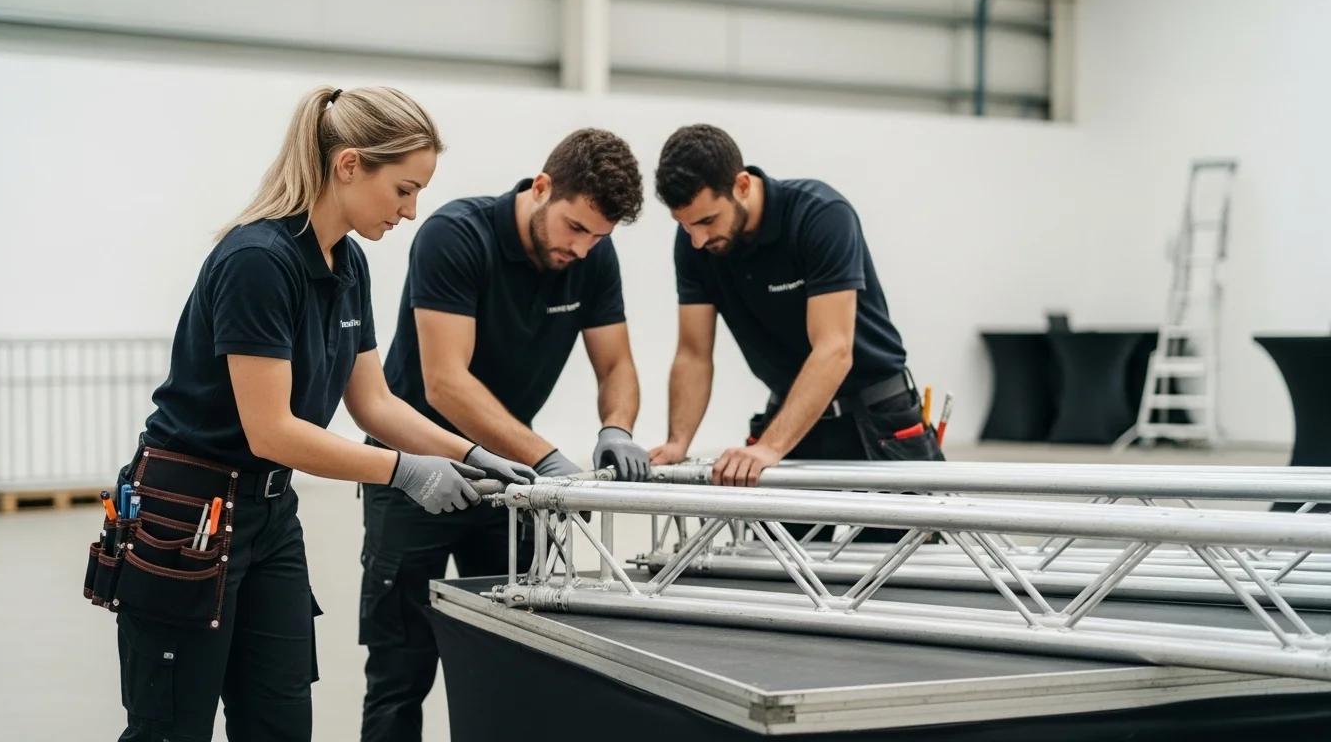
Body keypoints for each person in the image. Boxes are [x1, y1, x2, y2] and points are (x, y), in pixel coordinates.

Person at [83, 85, 537, 742]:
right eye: (403, 190)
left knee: (280, 721)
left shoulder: (348, 262)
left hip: (270, 519)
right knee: (169, 729)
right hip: (192, 517)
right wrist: (405, 472)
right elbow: (272, 430)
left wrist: (468, 453)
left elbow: (374, 402)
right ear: (348, 164)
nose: (412, 212)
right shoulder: (257, 261)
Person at [358, 127, 651, 741]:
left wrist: (617, 426)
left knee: (514, 659)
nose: (585, 247)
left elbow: (617, 363)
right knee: (400, 669)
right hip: (415, 474)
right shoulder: (456, 237)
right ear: (541, 188)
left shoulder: (593, 256)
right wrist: (548, 458)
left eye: (600, 236)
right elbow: (445, 383)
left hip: (510, 480)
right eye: (575, 228)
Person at [647, 123, 943, 541]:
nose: (697, 239)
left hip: (878, 421)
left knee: (909, 575)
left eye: (708, 220)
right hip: (794, 416)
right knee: (779, 577)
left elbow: (834, 349)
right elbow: (694, 354)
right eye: (686, 224)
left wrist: (769, 448)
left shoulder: (820, 215)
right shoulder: (696, 245)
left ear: (742, 185)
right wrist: (678, 442)